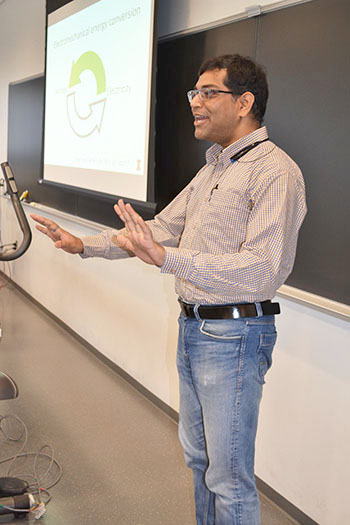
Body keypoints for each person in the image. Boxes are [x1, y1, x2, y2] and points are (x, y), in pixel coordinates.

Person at [31, 54, 307, 525]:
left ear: (244, 102)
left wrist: (168, 258)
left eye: (207, 93)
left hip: (236, 337)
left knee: (229, 478)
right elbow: (157, 229)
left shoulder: (275, 172)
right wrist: (84, 245)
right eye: (193, 94)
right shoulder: (213, 169)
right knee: (200, 462)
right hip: (195, 330)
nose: (195, 104)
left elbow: (261, 269)